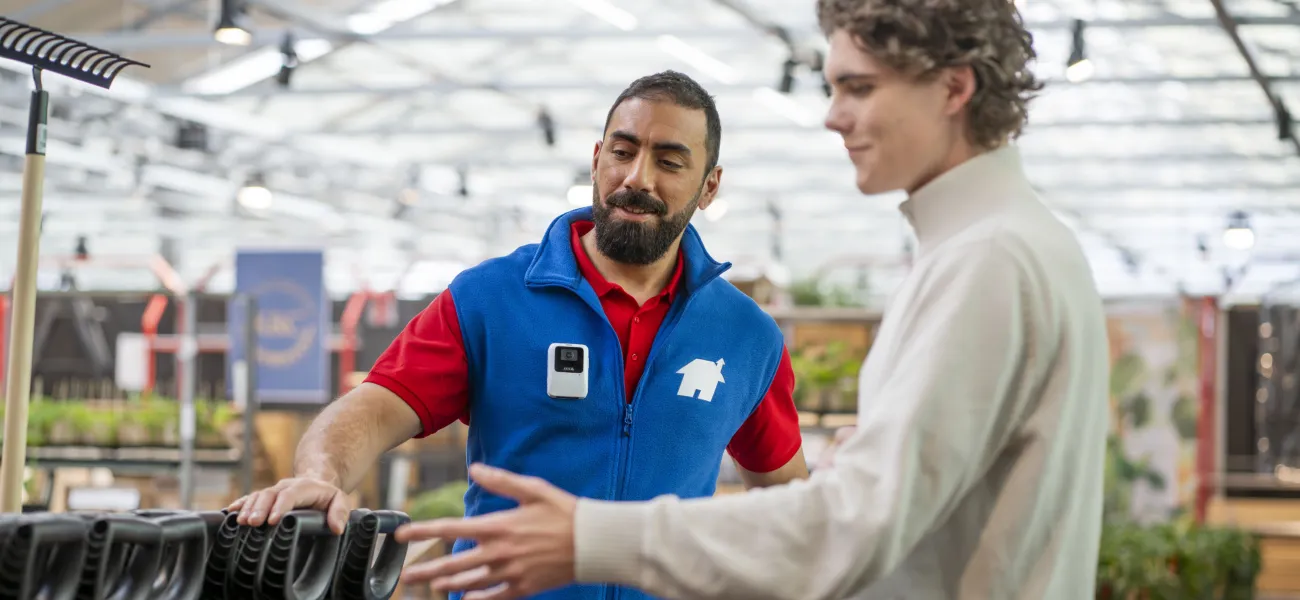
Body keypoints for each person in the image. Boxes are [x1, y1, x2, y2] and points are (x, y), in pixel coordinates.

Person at [392, 0, 1111, 599]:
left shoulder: (986, 260)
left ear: (954, 90)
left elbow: (848, 526)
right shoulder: (1010, 245)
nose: (833, 117)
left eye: (859, 88)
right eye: (834, 87)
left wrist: (589, 536)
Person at [227, 70, 809, 600]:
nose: (637, 178)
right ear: (596, 159)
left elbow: (790, 506)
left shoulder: (745, 336)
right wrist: (317, 477)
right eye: (623, 152)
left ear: (709, 187)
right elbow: (373, 409)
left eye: (670, 162)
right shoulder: (492, 299)